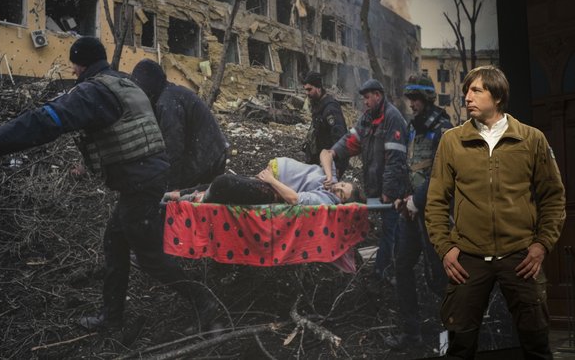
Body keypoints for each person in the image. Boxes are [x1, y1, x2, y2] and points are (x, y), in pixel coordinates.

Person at [0, 37, 218, 332]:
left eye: (74, 64)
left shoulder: (93, 91)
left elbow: (45, 120)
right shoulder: (123, 83)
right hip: (147, 177)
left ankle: (205, 301)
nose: (72, 71)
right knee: (115, 243)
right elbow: (121, 130)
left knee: (149, 257)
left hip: (139, 182)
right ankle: (111, 319)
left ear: (81, 64)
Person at [425, 65, 566, 359]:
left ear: (498, 96)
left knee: (537, 344)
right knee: (460, 346)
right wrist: (446, 248)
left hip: (521, 255)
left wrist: (542, 245)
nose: (467, 97)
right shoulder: (452, 140)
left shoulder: (531, 139)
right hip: (469, 257)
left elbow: (553, 197)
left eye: (476, 90)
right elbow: (436, 200)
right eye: (466, 91)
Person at [384, 73, 453, 349]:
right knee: (402, 266)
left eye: (415, 99)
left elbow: (441, 175)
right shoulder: (413, 128)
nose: (411, 103)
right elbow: (407, 164)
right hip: (411, 212)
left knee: (440, 278)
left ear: (426, 98)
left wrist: (417, 201)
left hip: (436, 214)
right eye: (409, 98)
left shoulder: (444, 129)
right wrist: (403, 198)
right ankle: (411, 334)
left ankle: (452, 339)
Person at [322, 78, 408, 280]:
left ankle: (383, 273)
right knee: (389, 230)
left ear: (378, 96)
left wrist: (388, 192)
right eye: (364, 99)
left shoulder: (393, 119)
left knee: (390, 230)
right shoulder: (368, 118)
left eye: (368, 98)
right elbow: (351, 140)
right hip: (374, 185)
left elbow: (395, 162)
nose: (365, 102)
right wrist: (333, 153)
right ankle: (390, 264)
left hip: (392, 188)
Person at [131, 59, 229, 190]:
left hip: (206, 156)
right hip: (212, 151)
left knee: (181, 198)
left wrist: (172, 188)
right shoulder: (170, 93)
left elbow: (173, 147)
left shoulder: (167, 103)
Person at [168, 156, 363, 206]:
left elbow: (294, 199)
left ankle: (197, 200)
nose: (337, 188)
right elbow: (325, 153)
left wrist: (271, 180)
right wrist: (329, 174)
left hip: (273, 189)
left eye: (341, 194)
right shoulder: (332, 180)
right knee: (218, 183)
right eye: (343, 185)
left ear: (341, 202)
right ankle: (179, 195)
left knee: (223, 183)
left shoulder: (326, 200)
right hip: (270, 179)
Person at [301, 71, 349, 178]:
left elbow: (340, 138)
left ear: (318, 88)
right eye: (305, 90)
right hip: (318, 161)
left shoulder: (330, 108)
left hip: (329, 163)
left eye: (309, 89)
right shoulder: (318, 105)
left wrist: (337, 166)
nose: (307, 93)